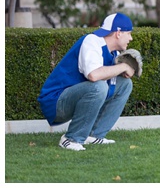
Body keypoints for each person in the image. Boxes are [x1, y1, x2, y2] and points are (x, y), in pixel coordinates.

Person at [38, 12, 135, 150]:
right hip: (55, 102)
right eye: (129, 33)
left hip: (72, 97)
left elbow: (110, 80)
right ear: (118, 33)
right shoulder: (92, 40)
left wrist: (123, 69)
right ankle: (71, 139)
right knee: (98, 86)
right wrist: (124, 66)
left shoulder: (114, 53)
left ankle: (94, 135)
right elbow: (93, 75)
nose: (130, 38)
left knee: (125, 85)